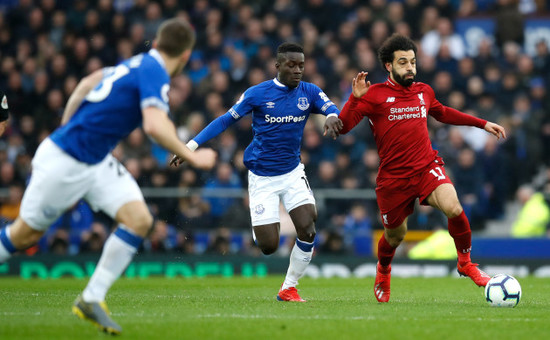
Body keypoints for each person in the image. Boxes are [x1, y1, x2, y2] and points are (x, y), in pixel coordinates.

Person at [0, 18, 216, 334]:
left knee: (139, 219)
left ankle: (91, 298)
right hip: (66, 161)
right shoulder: (155, 71)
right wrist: (193, 156)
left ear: (156, 43)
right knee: (24, 235)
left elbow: (87, 82)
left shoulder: (138, 63)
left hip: (96, 160)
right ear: (185, 56)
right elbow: (154, 126)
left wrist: (67, 124)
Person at [335, 34, 506, 303]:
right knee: (395, 235)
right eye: (403, 62)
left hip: (427, 166)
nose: (410, 67)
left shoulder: (424, 91)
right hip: (393, 178)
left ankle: (465, 263)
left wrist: (482, 123)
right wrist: (354, 100)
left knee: (454, 207)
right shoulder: (374, 95)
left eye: (413, 61)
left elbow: (443, 112)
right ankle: (383, 270)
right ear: (389, 66)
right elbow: (343, 127)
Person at [172, 42, 342, 302]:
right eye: (292, 65)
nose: (298, 70)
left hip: (292, 172)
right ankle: (260, 224)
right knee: (268, 246)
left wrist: (331, 115)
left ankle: (289, 287)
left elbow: (331, 108)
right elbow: (225, 120)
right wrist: (191, 146)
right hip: (262, 177)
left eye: (301, 65)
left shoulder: (310, 92)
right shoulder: (257, 94)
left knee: (308, 226)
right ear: (278, 65)